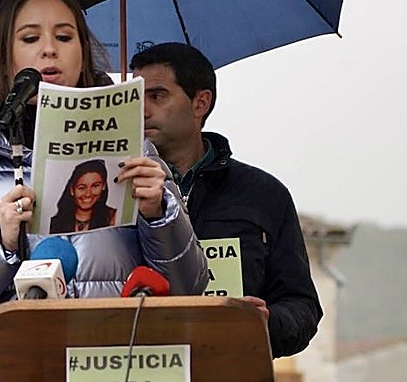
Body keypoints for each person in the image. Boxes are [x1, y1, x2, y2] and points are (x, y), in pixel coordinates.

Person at [0, 0, 208, 382]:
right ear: (5, 57)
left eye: (65, 36)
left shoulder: (133, 145)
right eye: (30, 37)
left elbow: (190, 286)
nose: (49, 49)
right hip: (6, 369)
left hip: (116, 366)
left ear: (83, 53)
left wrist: (160, 214)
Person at [129, 42, 322, 358]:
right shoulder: (108, 190)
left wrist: (266, 322)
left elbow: (303, 307)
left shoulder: (264, 195)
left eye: (157, 96)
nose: (142, 110)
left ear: (200, 102)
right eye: (134, 98)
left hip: (230, 364)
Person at [48, 158, 117, 233]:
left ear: (103, 186)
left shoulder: (113, 217)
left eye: (95, 186)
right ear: (72, 190)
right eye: (81, 188)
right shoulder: (55, 222)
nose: (88, 194)